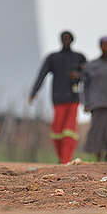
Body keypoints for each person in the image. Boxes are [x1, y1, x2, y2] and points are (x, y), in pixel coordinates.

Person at [29, 30, 86, 164]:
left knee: (69, 131)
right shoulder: (53, 58)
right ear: (60, 40)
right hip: (58, 99)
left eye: (68, 38)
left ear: (72, 40)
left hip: (73, 99)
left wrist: (79, 75)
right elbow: (41, 75)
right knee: (57, 131)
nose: (66, 41)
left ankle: (66, 160)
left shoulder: (79, 57)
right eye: (64, 38)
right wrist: (33, 92)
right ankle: (62, 158)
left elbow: (89, 75)